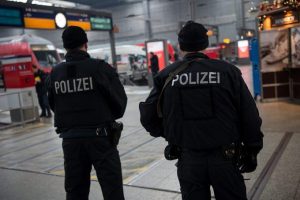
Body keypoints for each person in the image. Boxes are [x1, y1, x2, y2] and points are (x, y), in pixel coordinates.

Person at [139, 21, 263, 200]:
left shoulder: (166, 76)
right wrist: (252, 149)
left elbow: (148, 116)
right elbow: (249, 115)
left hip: (188, 159)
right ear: (205, 44)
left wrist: (171, 135)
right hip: (226, 159)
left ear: (180, 46)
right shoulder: (228, 72)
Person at [47, 26, 127, 200]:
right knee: (112, 190)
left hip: (70, 141)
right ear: (86, 44)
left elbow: (53, 104)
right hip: (101, 139)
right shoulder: (99, 68)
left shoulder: (55, 74)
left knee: (75, 191)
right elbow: (120, 103)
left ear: (65, 46)